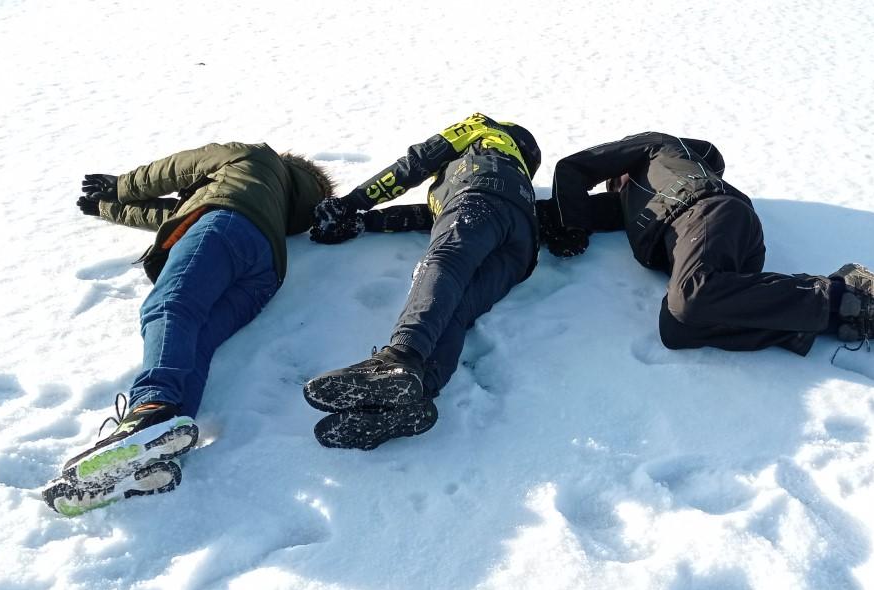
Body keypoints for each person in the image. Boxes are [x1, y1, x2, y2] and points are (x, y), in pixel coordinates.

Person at [43, 142, 333, 515]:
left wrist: (120, 186)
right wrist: (109, 208)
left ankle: (148, 410)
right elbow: (179, 212)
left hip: (226, 226)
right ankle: (160, 449)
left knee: (169, 306)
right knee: (198, 339)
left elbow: (178, 169)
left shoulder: (256, 157)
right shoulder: (284, 209)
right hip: (265, 274)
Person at [536, 131, 874, 357]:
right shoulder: (631, 207)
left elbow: (573, 167)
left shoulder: (658, 148)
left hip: (707, 213)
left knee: (692, 296)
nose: (615, 186)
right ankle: (831, 318)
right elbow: (569, 210)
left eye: (614, 180)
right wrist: (549, 221)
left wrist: (573, 227)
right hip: (712, 256)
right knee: (677, 328)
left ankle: (842, 291)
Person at [303, 113, 541, 450]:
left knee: (444, 262)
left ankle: (400, 357)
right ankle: (418, 393)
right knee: (456, 308)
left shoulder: (485, 130)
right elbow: (428, 215)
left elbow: (415, 164)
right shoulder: (518, 179)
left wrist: (350, 204)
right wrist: (363, 223)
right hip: (523, 246)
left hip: (479, 196)